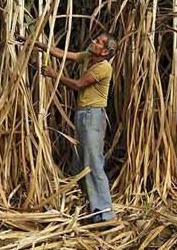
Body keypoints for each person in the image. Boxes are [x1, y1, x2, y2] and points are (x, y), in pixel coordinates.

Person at [16, 33, 118, 223]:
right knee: (80, 165)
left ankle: (106, 214)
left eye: (98, 42)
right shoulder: (88, 57)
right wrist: (36, 43)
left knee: (94, 163)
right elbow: (61, 54)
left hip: (93, 116)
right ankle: (94, 210)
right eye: (94, 39)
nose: (93, 41)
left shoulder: (103, 67)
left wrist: (54, 75)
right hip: (83, 115)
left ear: (105, 51)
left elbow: (79, 85)